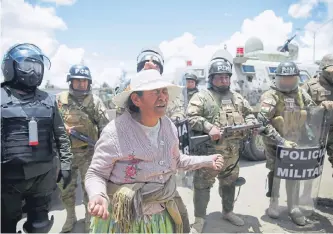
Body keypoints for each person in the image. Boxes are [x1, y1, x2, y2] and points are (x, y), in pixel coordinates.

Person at [84, 69, 224, 233]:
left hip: (160, 216)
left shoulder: (168, 126)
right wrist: (98, 195)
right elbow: (96, 173)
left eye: (164, 91)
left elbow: (176, 161)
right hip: (125, 220)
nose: (163, 96)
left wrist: (208, 160)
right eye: (155, 92)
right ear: (136, 99)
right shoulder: (115, 132)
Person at [1, 43, 73, 233]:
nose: (33, 72)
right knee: (6, 225)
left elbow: (60, 135)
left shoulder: (47, 100)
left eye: (37, 67)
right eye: (27, 66)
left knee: (40, 225)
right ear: (11, 67)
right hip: (8, 177)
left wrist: (66, 164)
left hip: (43, 175)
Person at [187, 56, 258, 232]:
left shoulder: (237, 97)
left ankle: (228, 211)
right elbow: (191, 117)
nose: (224, 80)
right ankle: (199, 218)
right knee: (202, 186)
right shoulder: (202, 97)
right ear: (211, 79)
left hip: (233, 154)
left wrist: (251, 123)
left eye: (226, 77)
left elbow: (249, 113)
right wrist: (208, 126)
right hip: (210, 154)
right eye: (219, 77)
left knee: (229, 183)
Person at [257, 61, 316, 226]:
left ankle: (293, 207)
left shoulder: (301, 94)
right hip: (276, 144)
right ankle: (274, 202)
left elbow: (313, 112)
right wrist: (282, 141)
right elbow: (262, 122)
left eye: (291, 79)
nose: (287, 82)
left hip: (296, 142)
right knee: (277, 172)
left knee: (294, 174)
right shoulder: (271, 96)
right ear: (278, 79)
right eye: (284, 79)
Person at [56, 64, 110, 232]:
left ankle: (90, 219)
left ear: (89, 83)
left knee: (91, 189)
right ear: (70, 82)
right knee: (66, 188)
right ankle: (70, 217)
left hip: (90, 153)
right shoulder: (60, 100)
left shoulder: (95, 101)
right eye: (77, 81)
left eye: (84, 81)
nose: (81, 84)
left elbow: (105, 128)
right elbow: (53, 124)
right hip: (66, 154)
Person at [116, 47, 186, 121]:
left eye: (156, 67)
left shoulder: (169, 92)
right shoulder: (131, 88)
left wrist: (173, 121)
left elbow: (179, 112)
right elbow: (119, 100)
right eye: (145, 67)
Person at [302, 54, 333, 168]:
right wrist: (320, 107)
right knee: (310, 167)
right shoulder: (310, 86)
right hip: (315, 132)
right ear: (323, 70)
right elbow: (299, 109)